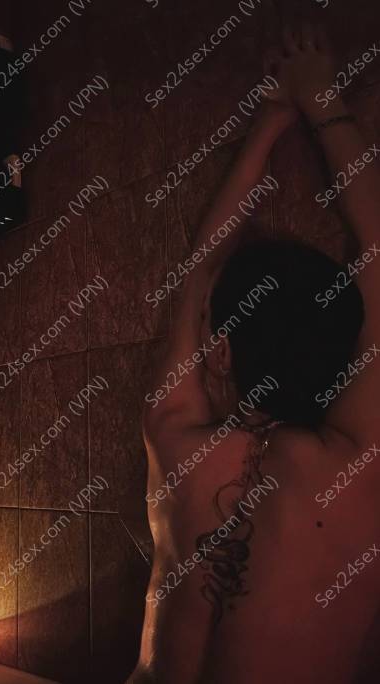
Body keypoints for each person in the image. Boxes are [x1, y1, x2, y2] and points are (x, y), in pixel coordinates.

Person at [127, 24, 380, 683]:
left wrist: (277, 116)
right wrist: (322, 100)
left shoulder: (174, 438)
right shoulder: (358, 465)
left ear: (219, 351)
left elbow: (200, 270)